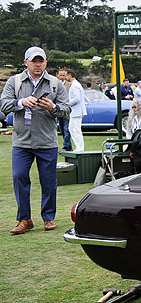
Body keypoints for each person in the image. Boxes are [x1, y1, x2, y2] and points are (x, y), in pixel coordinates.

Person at [0, 47, 70, 234]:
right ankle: (24, 219)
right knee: (19, 177)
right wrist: (21, 102)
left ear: (46, 63)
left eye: (41, 61)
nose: (38, 65)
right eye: (34, 61)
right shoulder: (14, 82)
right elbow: (3, 104)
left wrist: (53, 107)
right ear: (26, 63)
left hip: (47, 141)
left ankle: (48, 218)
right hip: (21, 142)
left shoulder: (56, 83)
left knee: (48, 181)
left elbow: (67, 109)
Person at [65, 69, 86, 151]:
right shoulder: (74, 84)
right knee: (72, 129)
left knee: (75, 129)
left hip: (76, 111)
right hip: (75, 111)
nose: (65, 77)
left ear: (70, 75)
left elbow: (76, 99)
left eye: (66, 75)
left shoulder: (75, 85)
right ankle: (79, 147)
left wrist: (67, 104)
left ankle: (80, 148)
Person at [54, 69, 71, 152]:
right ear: (57, 75)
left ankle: (66, 146)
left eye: (64, 75)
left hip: (66, 111)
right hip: (57, 110)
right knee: (61, 129)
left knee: (66, 128)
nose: (62, 77)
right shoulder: (53, 84)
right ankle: (69, 146)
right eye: (61, 75)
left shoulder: (69, 85)